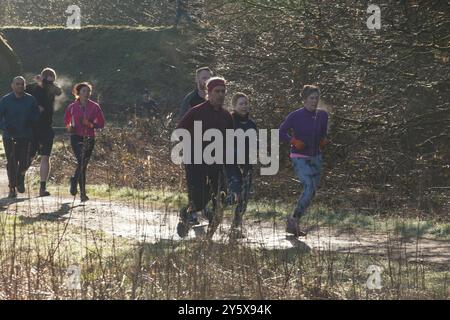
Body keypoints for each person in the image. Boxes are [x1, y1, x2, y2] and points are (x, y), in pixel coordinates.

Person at [176, 77, 234, 238]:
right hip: (195, 162)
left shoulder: (226, 116)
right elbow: (180, 130)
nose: (221, 95)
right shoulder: (196, 111)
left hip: (216, 164)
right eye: (217, 91)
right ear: (209, 92)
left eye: (223, 91)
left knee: (220, 199)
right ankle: (185, 214)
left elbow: (230, 140)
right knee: (199, 200)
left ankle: (208, 238)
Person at [279, 85, 329, 237]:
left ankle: (294, 219)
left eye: (316, 98)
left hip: (316, 156)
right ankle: (293, 220)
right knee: (308, 186)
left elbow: (323, 133)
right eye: (311, 98)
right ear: (304, 99)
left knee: (312, 190)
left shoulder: (323, 115)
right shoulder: (295, 115)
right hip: (299, 156)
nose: (314, 101)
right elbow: (281, 132)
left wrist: (323, 141)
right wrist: (294, 141)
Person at [0, 76, 40, 198]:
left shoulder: (30, 99)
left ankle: (20, 178)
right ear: (12, 85)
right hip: (9, 135)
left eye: (22, 84)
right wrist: (5, 127)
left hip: (26, 134)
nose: (20, 86)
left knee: (24, 161)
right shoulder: (5, 100)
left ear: (25, 85)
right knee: (12, 161)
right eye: (17, 84)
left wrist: (31, 121)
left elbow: (36, 115)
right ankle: (12, 187)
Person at [64, 82, 105, 202]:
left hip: (89, 137)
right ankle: (76, 184)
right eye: (84, 91)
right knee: (81, 161)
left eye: (88, 91)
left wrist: (90, 124)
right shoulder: (71, 107)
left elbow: (101, 124)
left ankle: (81, 191)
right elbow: (66, 121)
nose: (86, 93)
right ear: (78, 93)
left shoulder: (95, 106)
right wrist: (69, 127)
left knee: (84, 165)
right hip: (76, 136)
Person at [26, 67, 62, 197]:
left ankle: (42, 187)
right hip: (33, 128)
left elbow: (58, 91)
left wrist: (45, 84)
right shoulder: (31, 88)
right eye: (47, 79)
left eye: (51, 81)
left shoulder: (52, 88)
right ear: (42, 76)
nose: (50, 83)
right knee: (29, 156)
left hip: (47, 127)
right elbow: (22, 96)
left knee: (45, 156)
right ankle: (19, 177)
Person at [226, 93, 257, 238]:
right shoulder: (228, 121)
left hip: (247, 163)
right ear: (234, 106)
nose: (244, 106)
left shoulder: (252, 124)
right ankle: (212, 211)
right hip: (230, 162)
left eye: (246, 103)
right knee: (235, 191)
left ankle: (235, 227)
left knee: (244, 195)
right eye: (241, 104)